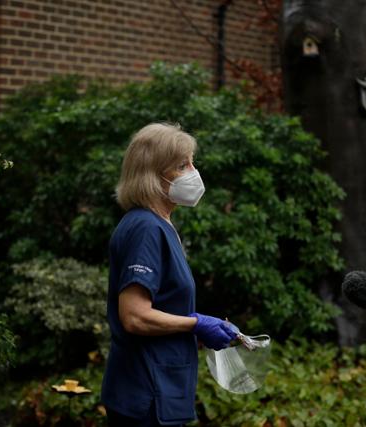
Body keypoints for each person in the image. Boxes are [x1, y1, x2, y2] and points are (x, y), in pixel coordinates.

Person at [101, 123, 236, 427]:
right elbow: (134, 316)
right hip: (145, 394)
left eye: (192, 162)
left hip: (158, 389)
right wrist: (197, 324)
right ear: (152, 176)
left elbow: (162, 307)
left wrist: (198, 327)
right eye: (181, 165)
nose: (193, 172)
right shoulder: (146, 228)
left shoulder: (159, 225)